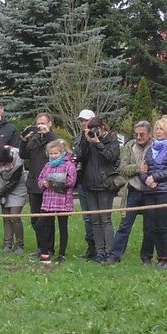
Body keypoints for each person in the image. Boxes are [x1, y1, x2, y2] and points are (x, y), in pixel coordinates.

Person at [138, 118, 167, 269]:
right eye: (157, 129)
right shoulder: (151, 148)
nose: (158, 132)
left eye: (161, 129)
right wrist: (146, 179)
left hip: (166, 190)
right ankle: (160, 258)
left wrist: (156, 177)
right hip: (150, 191)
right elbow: (143, 169)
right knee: (152, 225)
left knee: (162, 225)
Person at [75, 116, 120, 263]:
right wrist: (85, 139)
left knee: (105, 219)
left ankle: (110, 252)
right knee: (95, 220)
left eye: (96, 129)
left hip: (105, 184)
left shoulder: (112, 139)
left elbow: (111, 158)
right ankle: (99, 252)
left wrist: (99, 143)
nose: (94, 132)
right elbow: (80, 156)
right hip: (89, 183)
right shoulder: (88, 140)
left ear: (103, 128)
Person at [109, 121, 152, 264]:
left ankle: (146, 257)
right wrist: (138, 168)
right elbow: (123, 168)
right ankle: (115, 256)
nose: (139, 137)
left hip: (150, 192)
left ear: (150, 134)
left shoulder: (156, 146)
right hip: (133, 191)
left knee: (149, 227)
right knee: (125, 225)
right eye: (137, 134)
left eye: (142, 134)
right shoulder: (129, 146)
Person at [19, 112, 61, 256]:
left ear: (50, 124)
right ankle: (40, 247)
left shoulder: (55, 139)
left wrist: (48, 134)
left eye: (43, 123)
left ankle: (48, 248)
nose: (40, 126)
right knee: (35, 219)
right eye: (38, 124)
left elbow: (61, 153)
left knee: (47, 220)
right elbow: (23, 155)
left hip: (48, 185)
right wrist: (24, 140)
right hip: (33, 184)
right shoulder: (35, 140)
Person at [35, 138, 76, 264]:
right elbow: (40, 180)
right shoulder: (47, 166)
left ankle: (62, 255)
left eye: (55, 153)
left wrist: (53, 181)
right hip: (48, 202)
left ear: (62, 152)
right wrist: (44, 184)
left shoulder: (69, 165)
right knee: (40, 225)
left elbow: (71, 181)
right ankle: (45, 252)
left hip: (62, 201)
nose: (53, 156)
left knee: (63, 228)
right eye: (51, 154)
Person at [73, 109, 96, 258]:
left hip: (94, 181)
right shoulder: (78, 138)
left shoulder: (97, 136)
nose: (83, 123)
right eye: (81, 120)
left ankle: (101, 247)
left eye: (85, 120)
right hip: (81, 180)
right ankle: (91, 247)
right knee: (87, 217)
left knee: (98, 217)